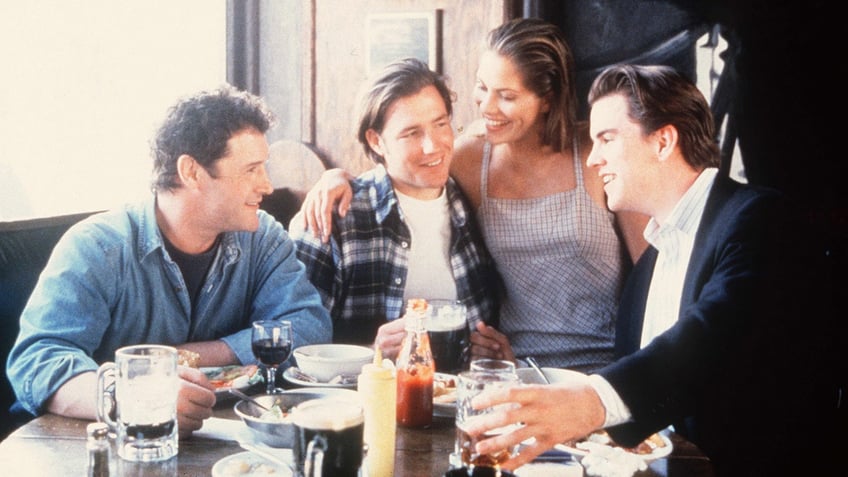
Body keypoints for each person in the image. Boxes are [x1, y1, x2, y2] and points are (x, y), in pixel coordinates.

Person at [462, 64, 835, 476]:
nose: (593, 159)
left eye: (606, 139)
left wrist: (590, 402)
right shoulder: (648, 268)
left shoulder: (759, 219)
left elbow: (710, 337)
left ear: (662, 142)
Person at [298, 18, 648, 372]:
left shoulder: (596, 151)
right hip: (512, 367)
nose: (486, 107)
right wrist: (335, 177)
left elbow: (651, 266)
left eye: (507, 96)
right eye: (482, 87)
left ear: (547, 99)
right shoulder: (471, 159)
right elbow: (403, 171)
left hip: (606, 364)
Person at [6, 86, 332, 437]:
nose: (267, 185)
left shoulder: (263, 237)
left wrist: (189, 355)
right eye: (251, 169)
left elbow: (308, 324)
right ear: (191, 171)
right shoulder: (97, 246)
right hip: (97, 446)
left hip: (223, 443)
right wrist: (138, 393)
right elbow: (36, 361)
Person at [288, 58, 500, 358]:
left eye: (440, 124)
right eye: (411, 133)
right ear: (376, 141)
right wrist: (372, 354)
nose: (433, 146)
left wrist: (493, 354)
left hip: (462, 398)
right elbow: (292, 348)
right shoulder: (333, 218)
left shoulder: (471, 202)